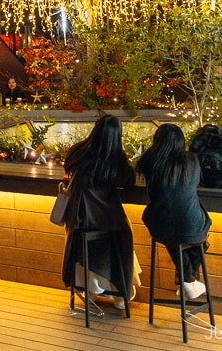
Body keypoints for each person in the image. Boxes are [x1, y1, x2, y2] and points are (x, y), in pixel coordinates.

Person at [60, 115, 138, 308]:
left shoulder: (78, 152)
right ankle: (120, 292)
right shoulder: (116, 160)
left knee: (112, 234)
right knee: (123, 234)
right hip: (106, 221)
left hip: (79, 220)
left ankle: (91, 288)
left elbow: (68, 167)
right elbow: (129, 181)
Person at [136, 124, 211, 300]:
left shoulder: (149, 162)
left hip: (161, 223)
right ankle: (188, 279)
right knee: (194, 236)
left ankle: (187, 280)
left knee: (171, 229)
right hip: (193, 223)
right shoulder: (192, 161)